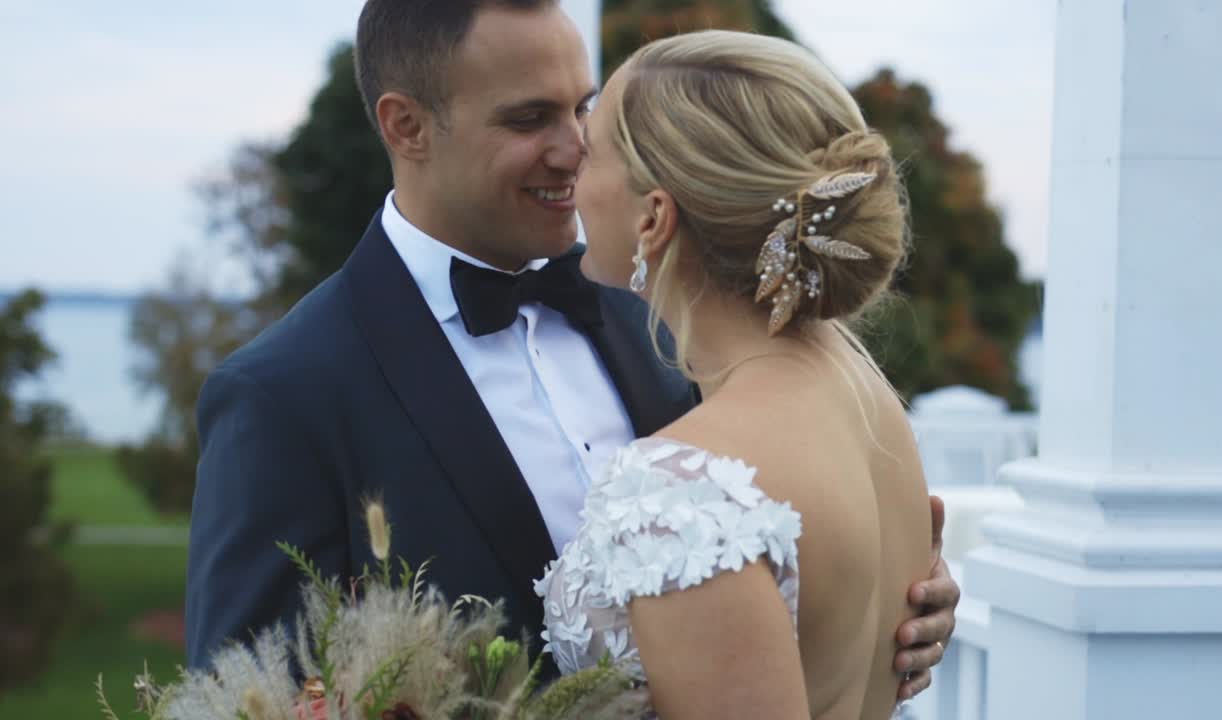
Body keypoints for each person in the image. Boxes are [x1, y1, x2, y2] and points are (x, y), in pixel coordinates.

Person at [185, 0, 958, 701]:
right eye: (529, 120)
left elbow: (776, 533)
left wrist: (888, 609)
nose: (575, 149)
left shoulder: (671, 309)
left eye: (583, 110)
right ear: (406, 126)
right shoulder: (283, 396)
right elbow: (240, 694)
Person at [536, 29, 937, 717]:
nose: (570, 162)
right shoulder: (864, 391)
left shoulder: (678, 492)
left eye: (593, 147)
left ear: (654, 217)